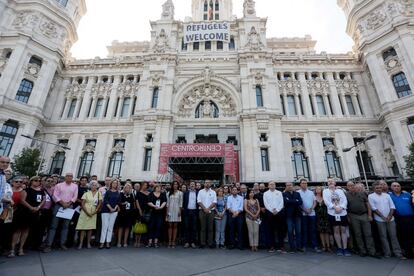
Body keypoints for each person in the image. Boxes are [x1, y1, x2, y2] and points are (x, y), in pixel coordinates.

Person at [9, 176, 45, 257]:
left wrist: (38, 207)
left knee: (26, 230)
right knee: (17, 231)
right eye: (36, 180)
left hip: (33, 213)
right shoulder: (26, 190)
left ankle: (21, 249)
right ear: (31, 181)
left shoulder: (41, 191)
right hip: (23, 212)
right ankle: (12, 249)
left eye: (39, 180)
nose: (38, 182)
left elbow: (43, 200)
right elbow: (22, 200)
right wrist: (31, 207)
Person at [43, 173, 78, 253]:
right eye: (67, 176)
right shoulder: (59, 185)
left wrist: (68, 203)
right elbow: (55, 195)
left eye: (71, 176)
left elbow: (75, 196)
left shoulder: (75, 186)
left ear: (72, 178)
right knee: (53, 226)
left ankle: (62, 243)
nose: (69, 177)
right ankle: (49, 245)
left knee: (65, 226)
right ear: (65, 177)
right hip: (59, 206)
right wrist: (62, 203)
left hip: (69, 207)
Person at [368, 181, 403, 259]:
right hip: (379, 220)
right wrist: (383, 217)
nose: (379, 189)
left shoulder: (387, 195)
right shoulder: (371, 196)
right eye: (377, 188)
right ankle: (387, 253)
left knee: (393, 236)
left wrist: (389, 216)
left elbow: (392, 206)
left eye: (380, 187)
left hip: (390, 219)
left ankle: (398, 253)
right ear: (374, 189)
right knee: (383, 236)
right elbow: (374, 208)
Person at [345, 182, 377, 258]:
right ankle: (362, 250)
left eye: (353, 185)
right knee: (358, 234)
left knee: (368, 234)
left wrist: (369, 215)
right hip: (353, 215)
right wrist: (348, 217)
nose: (351, 187)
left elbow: (368, 205)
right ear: (347, 187)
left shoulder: (362, 193)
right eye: (349, 186)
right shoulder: (346, 195)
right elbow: (345, 207)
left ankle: (371, 251)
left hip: (364, 215)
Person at [323, 179, 350, 257]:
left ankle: (345, 248)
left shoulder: (340, 191)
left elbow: (345, 200)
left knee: (343, 230)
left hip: (342, 213)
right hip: (333, 213)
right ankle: (339, 248)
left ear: (335, 183)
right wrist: (335, 207)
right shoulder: (325, 191)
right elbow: (326, 201)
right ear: (327, 183)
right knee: (336, 230)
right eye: (329, 181)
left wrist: (341, 207)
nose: (331, 182)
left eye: (332, 181)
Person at [389, 182, 414, 259]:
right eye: (394, 186)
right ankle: (408, 254)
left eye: (398, 186)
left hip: (411, 218)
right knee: (404, 237)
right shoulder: (389, 196)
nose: (396, 187)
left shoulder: (407, 195)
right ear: (391, 187)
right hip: (400, 219)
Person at [76, 180, 102, 249]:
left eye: (95, 185)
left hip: (93, 212)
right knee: (83, 228)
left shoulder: (99, 193)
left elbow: (100, 203)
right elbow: (82, 203)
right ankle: (81, 244)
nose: (94, 186)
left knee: (90, 228)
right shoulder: (86, 193)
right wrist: (86, 212)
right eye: (92, 185)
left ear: (97, 186)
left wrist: (95, 211)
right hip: (85, 211)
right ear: (90, 186)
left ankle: (88, 243)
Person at [298, 179, 319, 252]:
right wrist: (304, 210)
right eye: (303, 183)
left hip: (312, 213)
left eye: (306, 183)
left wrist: (311, 209)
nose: (304, 184)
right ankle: (304, 245)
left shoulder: (311, 192)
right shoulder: (298, 193)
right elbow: (299, 203)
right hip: (303, 214)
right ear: (300, 184)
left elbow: (315, 202)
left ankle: (315, 245)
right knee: (304, 230)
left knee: (313, 230)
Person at [263, 182, 285, 253]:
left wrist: (277, 210)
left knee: (280, 231)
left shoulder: (279, 192)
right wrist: (272, 210)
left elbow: (281, 202)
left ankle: (281, 246)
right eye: (271, 184)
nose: (272, 185)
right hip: (270, 213)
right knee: (270, 231)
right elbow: (266, 203)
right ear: (268, 186)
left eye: (273, 184)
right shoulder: (265, 193)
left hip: (279, 213)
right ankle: (271, 246)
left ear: (275, 185)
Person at [100, 179, 121, 249]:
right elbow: (105, 200)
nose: (114, 184)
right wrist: (110, 208)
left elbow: (118, 202)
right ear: (111, 184)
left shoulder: (118, 193)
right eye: (113, 183)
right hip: (105, 210)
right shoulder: (108, 192)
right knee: (104, 227)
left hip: (114, 212)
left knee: (110, 227)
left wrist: (114, 209)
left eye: (116, 183)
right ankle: (102, 242)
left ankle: (108, 242)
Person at [283, 182, 303, 253]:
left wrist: (290, 201)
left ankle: (299, 247)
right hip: (289, 216)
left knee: (298, 231)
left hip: (297, 215)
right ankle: (292, 248)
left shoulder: (297, 194)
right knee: (290, 232)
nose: (289, 186)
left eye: (290, 185)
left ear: (293, 186)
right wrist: (295, 201)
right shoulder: (284, 194)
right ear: (286, 187)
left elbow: (300, 202)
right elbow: (286, 202)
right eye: (287, 185)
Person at [197, 180, 217, 248]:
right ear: (204, 184)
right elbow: (199, 201)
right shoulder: (200, 191)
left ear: (210, 184)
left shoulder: (213, 192)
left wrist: (208, 209)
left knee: (210, 228)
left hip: (211, 212)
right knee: (202, 228)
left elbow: (214, 202)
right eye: (206, 183)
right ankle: (202, 243)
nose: (207, 184)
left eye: (209, 183)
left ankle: (210, 243)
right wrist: (205, 209)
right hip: (202, 211)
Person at [116, 183, 136, 248]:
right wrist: (123, 203)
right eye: (126, 188)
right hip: (122, 213)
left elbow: (133, 204)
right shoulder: (121, 194)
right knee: (121, 227)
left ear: (130, 189)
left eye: (129, 188)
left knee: (127, 228)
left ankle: (125, 242)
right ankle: (119, 242)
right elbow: (118, 202)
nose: (127, 189)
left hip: (129, 213)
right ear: (124, 188)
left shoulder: (132, 195)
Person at [166, 181, 183, 248]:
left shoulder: (180, 193)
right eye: (174, 184)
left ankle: (173, 241)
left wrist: (180, 211)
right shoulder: (168, 193)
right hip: (170, 210)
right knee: (170, 226)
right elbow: (167, 203)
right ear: (172, 185)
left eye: (176, 184)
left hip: (177, 211)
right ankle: (169, 241)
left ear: (178, 185)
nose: (175, 185)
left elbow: (181, 203)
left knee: (175, 226)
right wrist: (167, 212)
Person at [314, 186, 331, 252]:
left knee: (327, 231)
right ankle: (323, 246)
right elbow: (314, 206)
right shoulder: (314, 198)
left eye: (319, 189)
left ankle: (328, 246)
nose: (318, 190)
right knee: (321, 232)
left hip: (325, 216)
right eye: (317, 189)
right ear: (315, 190)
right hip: (318, 216)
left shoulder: (325, 197)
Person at [183, 181, 198, 249]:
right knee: (186, 227)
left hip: (194, 212)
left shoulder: (198, 193)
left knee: (194, 228)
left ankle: (192, 242)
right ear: (189, 186)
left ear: (195, 186)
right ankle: (186, 242)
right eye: (191, 184)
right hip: (187, 212)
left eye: (193, 184)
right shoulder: (186, 193)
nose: (192, 185)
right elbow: (183, 202)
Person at [134, 182, 149, 247]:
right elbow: (137, 202)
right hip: (139, 211)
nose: (145, 186)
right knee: (138, 226)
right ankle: (136, 241)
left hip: (147, 211)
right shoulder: (138, 193)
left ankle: (142, 241)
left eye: (146, 185)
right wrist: (139, 210)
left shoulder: (149, 193)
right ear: (141, 186)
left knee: (144, 226)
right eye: (144, 185)